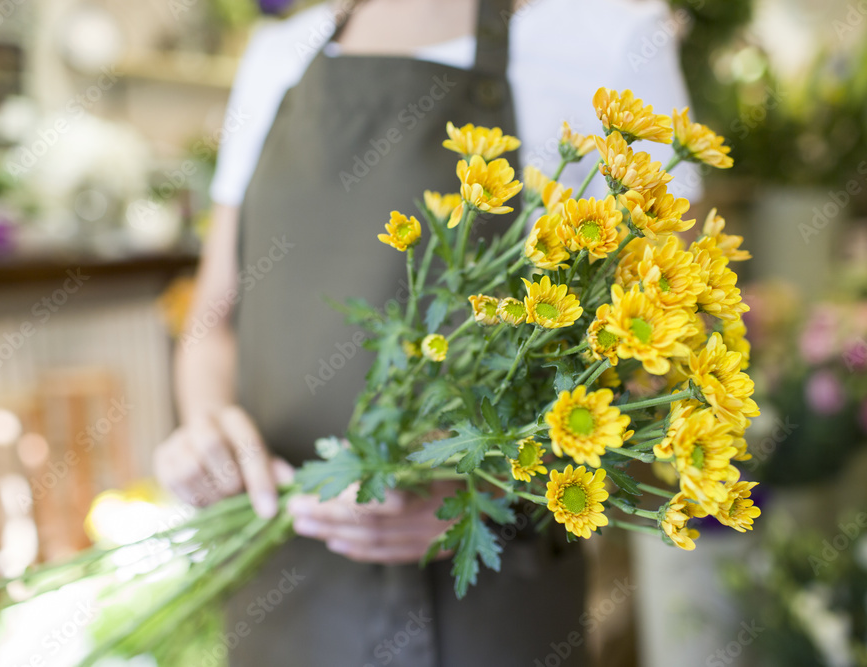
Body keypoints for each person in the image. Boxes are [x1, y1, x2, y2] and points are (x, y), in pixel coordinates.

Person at [153, 0, 698, 664]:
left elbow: (673, 343)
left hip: (493, 605)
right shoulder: (278, 56)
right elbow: (214, 313)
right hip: (284, 582)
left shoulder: (610, 37)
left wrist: (488, 482)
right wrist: (208, 426)